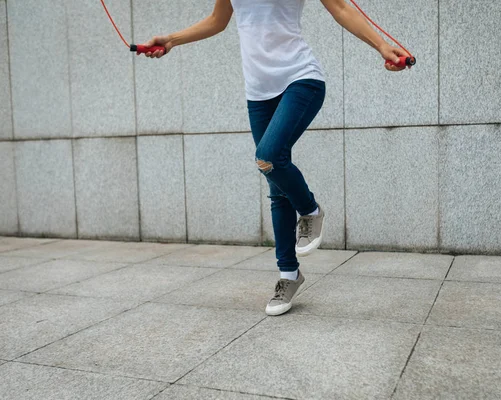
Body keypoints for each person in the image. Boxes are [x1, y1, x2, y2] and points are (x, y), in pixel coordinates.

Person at [142, 0, 408, 316]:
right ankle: (289, 275)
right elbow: (218, 19)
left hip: (300, 78)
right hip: (258, 93)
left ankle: (310, 210)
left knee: (268, 156)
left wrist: (381, 45)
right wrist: (172, 40)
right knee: (275, 182)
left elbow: (341, 8)